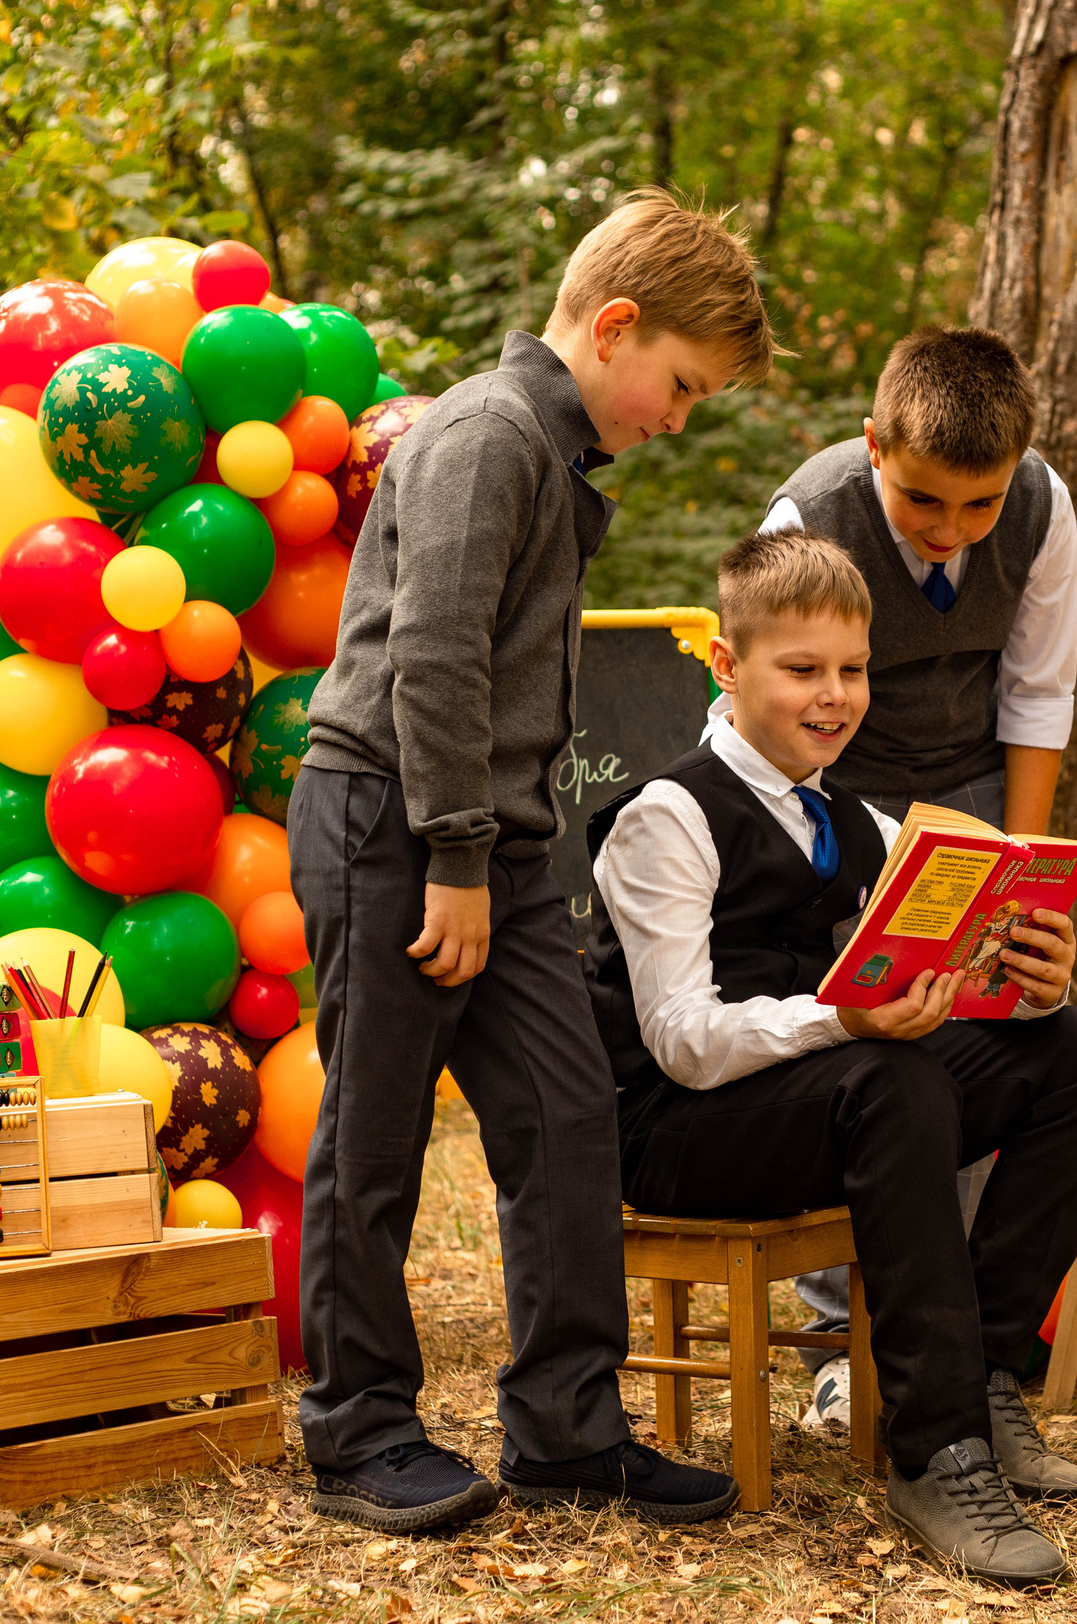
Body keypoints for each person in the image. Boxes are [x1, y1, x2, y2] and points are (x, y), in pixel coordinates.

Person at [290, 189, 783, 1534]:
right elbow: (436, 656)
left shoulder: (554, 458)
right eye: (679, 384)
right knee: (375, 1132)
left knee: (569, 1120)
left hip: (486, 843)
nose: (679, 416)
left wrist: (501, 847)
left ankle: (567, 1429)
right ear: (614, 327)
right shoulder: (487, 435)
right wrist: (453, 851)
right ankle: (357, 1429)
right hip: (392, 821)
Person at [587, 531, 1077, 1584]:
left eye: (852, 670)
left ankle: (981, 1378)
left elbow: (937, 987)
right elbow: (683, 1042)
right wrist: (850, 1022)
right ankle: (936, 1452)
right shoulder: (666, 817)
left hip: (817, 1094)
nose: (833, 697)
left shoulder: (860, 819)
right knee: (892, 1077)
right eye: (802, 671)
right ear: (728, 667)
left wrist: (1034, 975)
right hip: (673, 1130)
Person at [726, 325, 1077, 1432]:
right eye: (925, 502)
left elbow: (1036, 692)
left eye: (980, 507)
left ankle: (962, 1345)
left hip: (971, 785)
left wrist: (1016, 876)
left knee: (994, 1031)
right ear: (875, 446)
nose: (952, 532)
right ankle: (841, 1341)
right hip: (839, 783)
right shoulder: (806, 514)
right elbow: (756, 709)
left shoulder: (1042, 507)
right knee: (873, 1043)